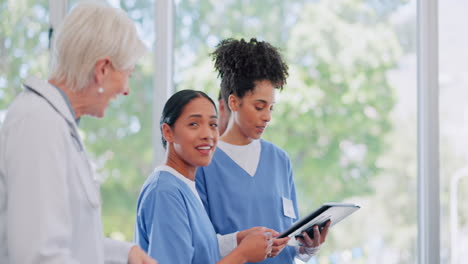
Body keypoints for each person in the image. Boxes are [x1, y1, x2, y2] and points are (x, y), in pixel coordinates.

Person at [0, 2, 156, 263]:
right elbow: (40, 255)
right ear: (102, 69)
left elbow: (72, 239)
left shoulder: (55, 124)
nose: (126, 89)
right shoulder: (38, 124)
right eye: (127, 74)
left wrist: (124, 253)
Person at [195, 38, 331, 264]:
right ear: (233, 102)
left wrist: (309, 248)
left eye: (271, 108)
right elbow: (199, 245)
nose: (267, 116)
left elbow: (290, 243)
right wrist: (245, 244)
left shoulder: (279, 160)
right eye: (259, 107)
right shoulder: (204, 161)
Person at [134, 89, 275, 264]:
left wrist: (238, 239)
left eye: (213, 125)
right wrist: (242, 254)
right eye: (194, 124)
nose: (207, 135)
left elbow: (198, 248)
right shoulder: (164, 191)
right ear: (168, 132)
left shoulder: (184, 185)